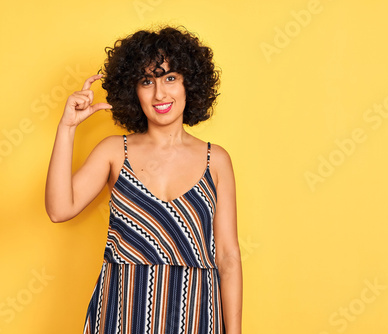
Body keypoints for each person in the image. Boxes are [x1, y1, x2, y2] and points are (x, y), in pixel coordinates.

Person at [45, 26, 243, 334]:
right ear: (133, 90)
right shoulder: (114, 151)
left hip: (195, 315)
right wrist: (67, 127)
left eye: (170, 78)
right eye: (147, 81)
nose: (159, 93)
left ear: (189, 82)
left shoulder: (215, 160)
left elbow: (228, 257)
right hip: (122, 314)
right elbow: (59, 209)